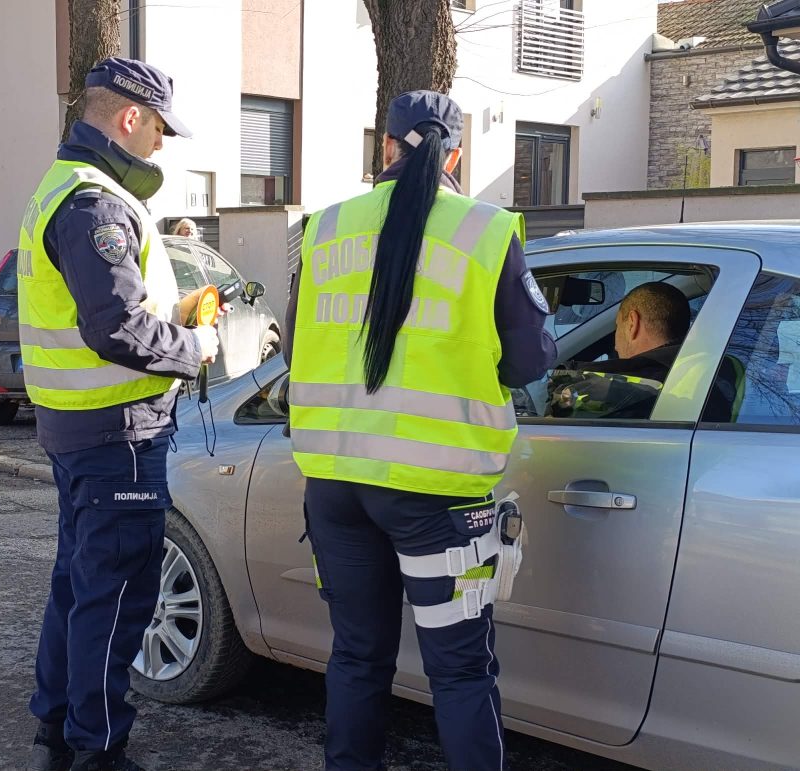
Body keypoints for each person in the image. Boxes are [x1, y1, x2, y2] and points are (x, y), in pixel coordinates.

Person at [283, 91, 557, 771]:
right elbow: (530, 358)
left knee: (355, 656)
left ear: (386, 147)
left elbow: (294, 345)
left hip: (336, 486)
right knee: (459, 672)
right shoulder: (484, 230)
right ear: (454, 154)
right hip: (438, 494)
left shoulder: (325, 227)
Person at [17, 58, 219, 771]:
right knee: (118, 597)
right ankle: (98, 749)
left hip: (79, 430)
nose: (161, 144)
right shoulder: (96, 202)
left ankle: (56, 738)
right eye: (159, 128)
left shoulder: (61, 187)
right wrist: (197, 344)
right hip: (118, 436)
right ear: (129, 117)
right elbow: (119, 329)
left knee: (78, 585)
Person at [548, 282, 690, 419]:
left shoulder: (624, 386)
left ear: (632, 324)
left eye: (617, 327)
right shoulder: (692, 371)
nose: (615, 347)